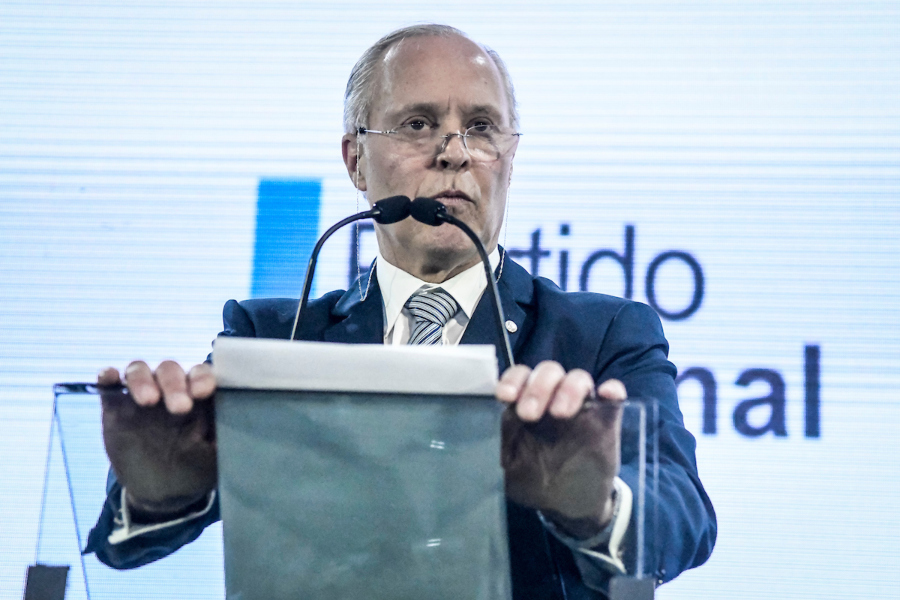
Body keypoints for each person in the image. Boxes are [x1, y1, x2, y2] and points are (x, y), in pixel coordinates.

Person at [87, 24, 716, 598]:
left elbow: (684, 518)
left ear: (509, 159)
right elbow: (128, 540)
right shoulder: (277, 335)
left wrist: (595, 506)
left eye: (482, 127)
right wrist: (157, 492)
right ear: (355, 160)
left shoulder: (599, 334)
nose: (454, 153)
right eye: (417, 124)